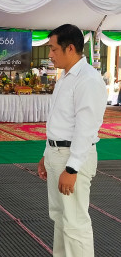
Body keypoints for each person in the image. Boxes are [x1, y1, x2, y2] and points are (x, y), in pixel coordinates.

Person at [38, 24, 107, 257]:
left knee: (75, 222)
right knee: (60, 217)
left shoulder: (88, 79)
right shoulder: (66, 77)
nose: (50, 54)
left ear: (70, 48)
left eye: (53, 49)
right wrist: (46, 154)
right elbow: (61, 123)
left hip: (72, 158)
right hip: (57, 155)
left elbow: (86, 129)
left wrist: (72, 167)